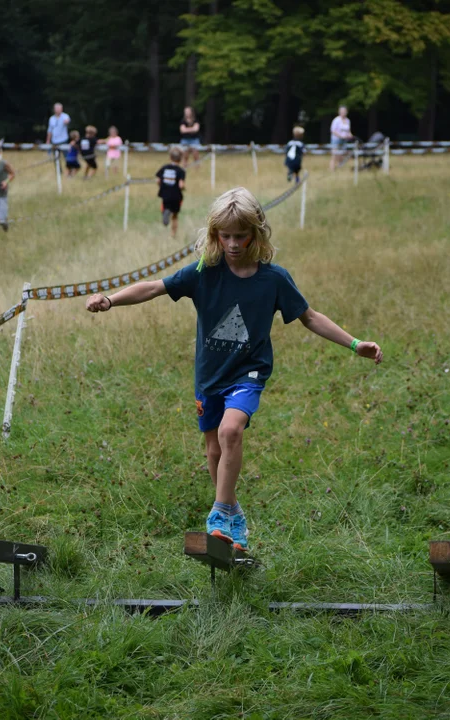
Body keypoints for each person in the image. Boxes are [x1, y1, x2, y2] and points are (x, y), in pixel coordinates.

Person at [86, 187, 383, 552]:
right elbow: (154, 287)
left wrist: (355, 344)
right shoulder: (203, 273)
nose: (232, 243)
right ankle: (233, 519)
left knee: (230, 432)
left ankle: (220, 512)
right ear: (214, 235)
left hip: (249, 373)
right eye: (224, 236)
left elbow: (310, 317)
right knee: (213, 451)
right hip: (210, 376)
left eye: (240, 235)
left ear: (256, 234)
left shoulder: (273, 279)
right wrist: (110, 300)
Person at [156, 146, 186, 237]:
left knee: (166, 207)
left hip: (165, 194)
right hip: (176, 196)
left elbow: (158, 180)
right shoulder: (181, 171)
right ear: (180, 159)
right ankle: (173, 234)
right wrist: (184, 188)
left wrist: (162, 186)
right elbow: (181, 185)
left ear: (170, 157)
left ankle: (165, 211)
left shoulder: (164, 168)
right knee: (175, 216)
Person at [330, 105, 353, 171]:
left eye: (344, 111)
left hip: (344, 140)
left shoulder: (348, 120)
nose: (343, 113)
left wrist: (350, 135)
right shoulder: (336, 120)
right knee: (334, 155)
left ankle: (340, 168)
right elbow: (333, 130)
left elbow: (348, 131)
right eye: (342, 111)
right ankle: (332, 169)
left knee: (342, 155)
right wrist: (340, 136)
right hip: (336, 139)